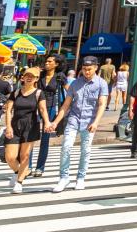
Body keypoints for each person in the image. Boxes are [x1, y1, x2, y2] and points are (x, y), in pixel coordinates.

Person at [50, 56, 109, 192]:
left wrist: (96, 122)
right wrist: (55, 122)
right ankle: (64, 178)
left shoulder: (101, 84)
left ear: (96, 68)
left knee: (85, 150)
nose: (86, 72)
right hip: (74, 119)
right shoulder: (75, 83)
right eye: (84, 69)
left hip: (89, 121)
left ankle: (81, 177)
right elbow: (66, 105)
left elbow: (102, 104)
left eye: (89, 69)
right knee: (66, 147)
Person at [3, 67, 52, 194]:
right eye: (27, 75)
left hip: (31, 127)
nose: (29, 77)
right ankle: (18, 171)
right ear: (23, 77)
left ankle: (19, 182)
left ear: (36, 79)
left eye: (33, 76)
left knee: (24, 156)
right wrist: (8, 126)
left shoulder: (38, 93)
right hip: (15, 126)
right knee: (10, 157)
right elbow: (8, 110)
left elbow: (42, 110)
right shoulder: (15, 93)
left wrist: (47, 122)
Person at [32, 54, 66, 177]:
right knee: (31, 137)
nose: (46, 63)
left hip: (51, 108)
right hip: (37, 106)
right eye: (46, 61)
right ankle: (28, 166)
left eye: (49, 61)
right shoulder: (40, 74)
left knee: (45, 139)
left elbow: (69, 90)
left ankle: (40, 167)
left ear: (56, 64)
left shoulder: (60, 76)